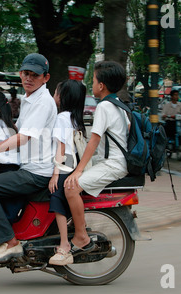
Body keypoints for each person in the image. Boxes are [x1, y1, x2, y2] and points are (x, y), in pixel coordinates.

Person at [0, 53, 57, 263]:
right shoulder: (29, 99)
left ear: (46, 78)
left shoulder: (42, 103)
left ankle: (9, 242)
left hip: (36, 173)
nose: (28, 78)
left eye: (35, 75)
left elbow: (21, 139)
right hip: (27, 167)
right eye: (25, 73)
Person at [63, 61, 130, 264]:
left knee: (70, 187)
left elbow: (94, 140)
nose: (91, 84)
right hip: (112, 162)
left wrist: (79, 170)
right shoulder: (119, 105)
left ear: (101, 85)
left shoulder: (105, 107)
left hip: (113, 165)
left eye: (93, 80)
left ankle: (81, 236)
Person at [47, 79, 86, 266]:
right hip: (73, 165)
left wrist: (56, 173)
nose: (54, 95)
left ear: (62, 97)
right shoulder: (75, 117)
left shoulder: (62, 117)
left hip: (65, 166)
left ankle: (64, 244)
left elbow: (61, 149)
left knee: (56, 195)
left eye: (56, 92)